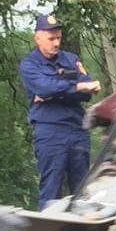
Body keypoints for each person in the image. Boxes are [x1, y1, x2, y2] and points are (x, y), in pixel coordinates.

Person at [19, 12, 101, 208]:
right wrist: (76, 87)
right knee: (51, 192)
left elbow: (89, 91)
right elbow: (43, 88)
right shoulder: (29, 65)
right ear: (37, 38)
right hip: (50, 132)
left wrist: (54, 93)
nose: (56, 43)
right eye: (51, 38)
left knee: (82, 193)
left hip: (77, 130)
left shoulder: (71, 60)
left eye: (58, 38)